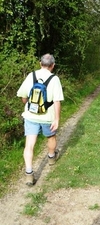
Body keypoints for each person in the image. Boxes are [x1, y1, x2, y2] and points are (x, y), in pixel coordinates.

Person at [17, 53, 64, 186]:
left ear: (40, 63)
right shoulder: (54, 79)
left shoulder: (31, 76)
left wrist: (29, 106)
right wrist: (57, 119)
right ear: (53, 66)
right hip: (47, 117)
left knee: (29, 145)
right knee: (51, 137)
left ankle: (29, 174)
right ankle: (51, 158)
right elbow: (57, 101)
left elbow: (23, 96)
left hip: (30, 116)